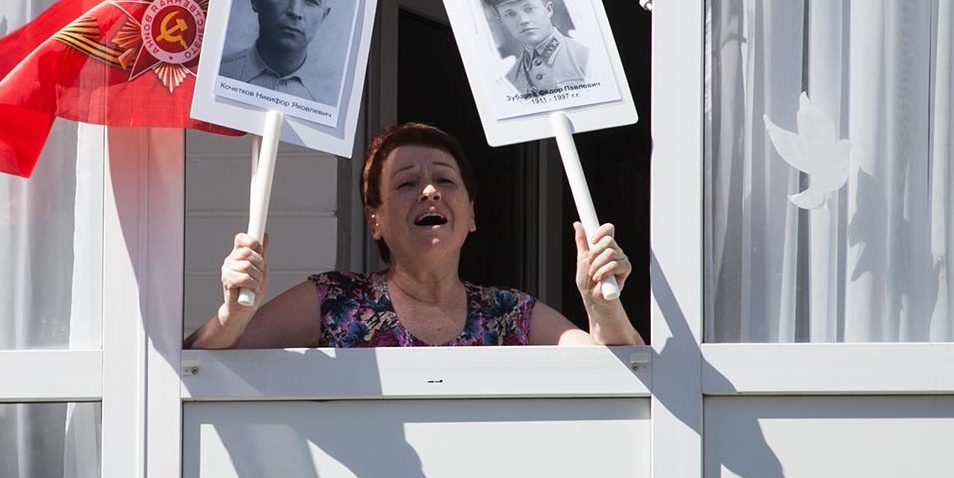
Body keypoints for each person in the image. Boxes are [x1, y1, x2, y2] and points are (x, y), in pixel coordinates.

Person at [185, 122, 643, 348]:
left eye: (445, 181)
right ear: (375, 220)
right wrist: (232, 312)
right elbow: (203, 359)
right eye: (406, 183)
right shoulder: (335, 301)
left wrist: (602, 306)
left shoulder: (509, 313)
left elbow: (621, 372)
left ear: (471, 215)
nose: (429, 191)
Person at [218, 0, 340, 105]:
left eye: (311, 1)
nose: (295, 11)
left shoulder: (332, 98)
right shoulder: (220, 74)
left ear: (324, 16)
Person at [477, 0, 590, 96]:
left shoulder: (587, 58)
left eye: (529, 9)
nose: (523, 20)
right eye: (510, 14)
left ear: (548, 10)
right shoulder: (509, 80)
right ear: (502, 21)